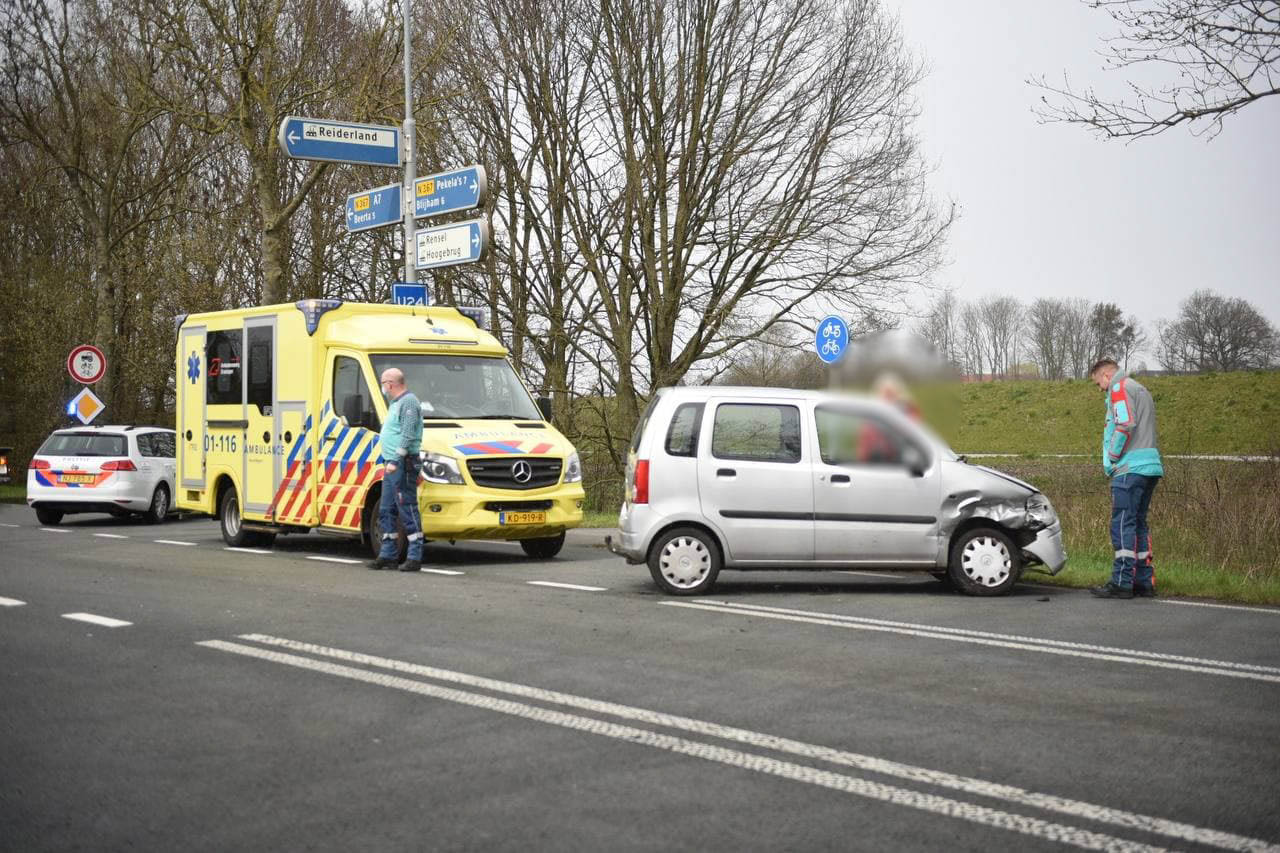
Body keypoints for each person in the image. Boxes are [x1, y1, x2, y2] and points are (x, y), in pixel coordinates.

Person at [1088, 358, 1162, 599]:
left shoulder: (1119, 388)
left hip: (1129, 468)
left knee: (1122, 524)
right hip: (1150, 465)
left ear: (1107, 376)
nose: (1100, 389)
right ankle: (1144, 582)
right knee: (1139, 523)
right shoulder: (1141, 389)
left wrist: (1111, 457)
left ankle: (1121, 582)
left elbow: (1125, 425)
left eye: (1098, 382)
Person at [368, 367, 426, 572]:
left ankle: (414, 555)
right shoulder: (395, 403)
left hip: (403, 462)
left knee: (406, 506)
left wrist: (397, 458)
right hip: (392, 463)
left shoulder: (409, 402)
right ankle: (388, 554)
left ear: (390, 383)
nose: (383, 387)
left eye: (383, 383)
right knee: (386, 509)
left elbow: (408, 432)